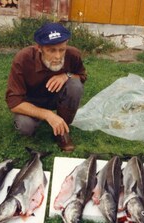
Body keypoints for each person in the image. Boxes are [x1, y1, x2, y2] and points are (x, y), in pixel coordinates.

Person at [5, 22, 87, 152]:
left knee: (75, 85)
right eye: (51, 50)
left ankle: (62, 132)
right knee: (25, 127)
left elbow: (81, 76)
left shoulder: (73, 54)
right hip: (31, 101)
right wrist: (47, 115)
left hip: (56, 98)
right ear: (39, 48)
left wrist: (67, 75)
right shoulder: (23, 58)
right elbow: (13, 102)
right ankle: (40, 119)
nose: (58, 56)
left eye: (62, 50)